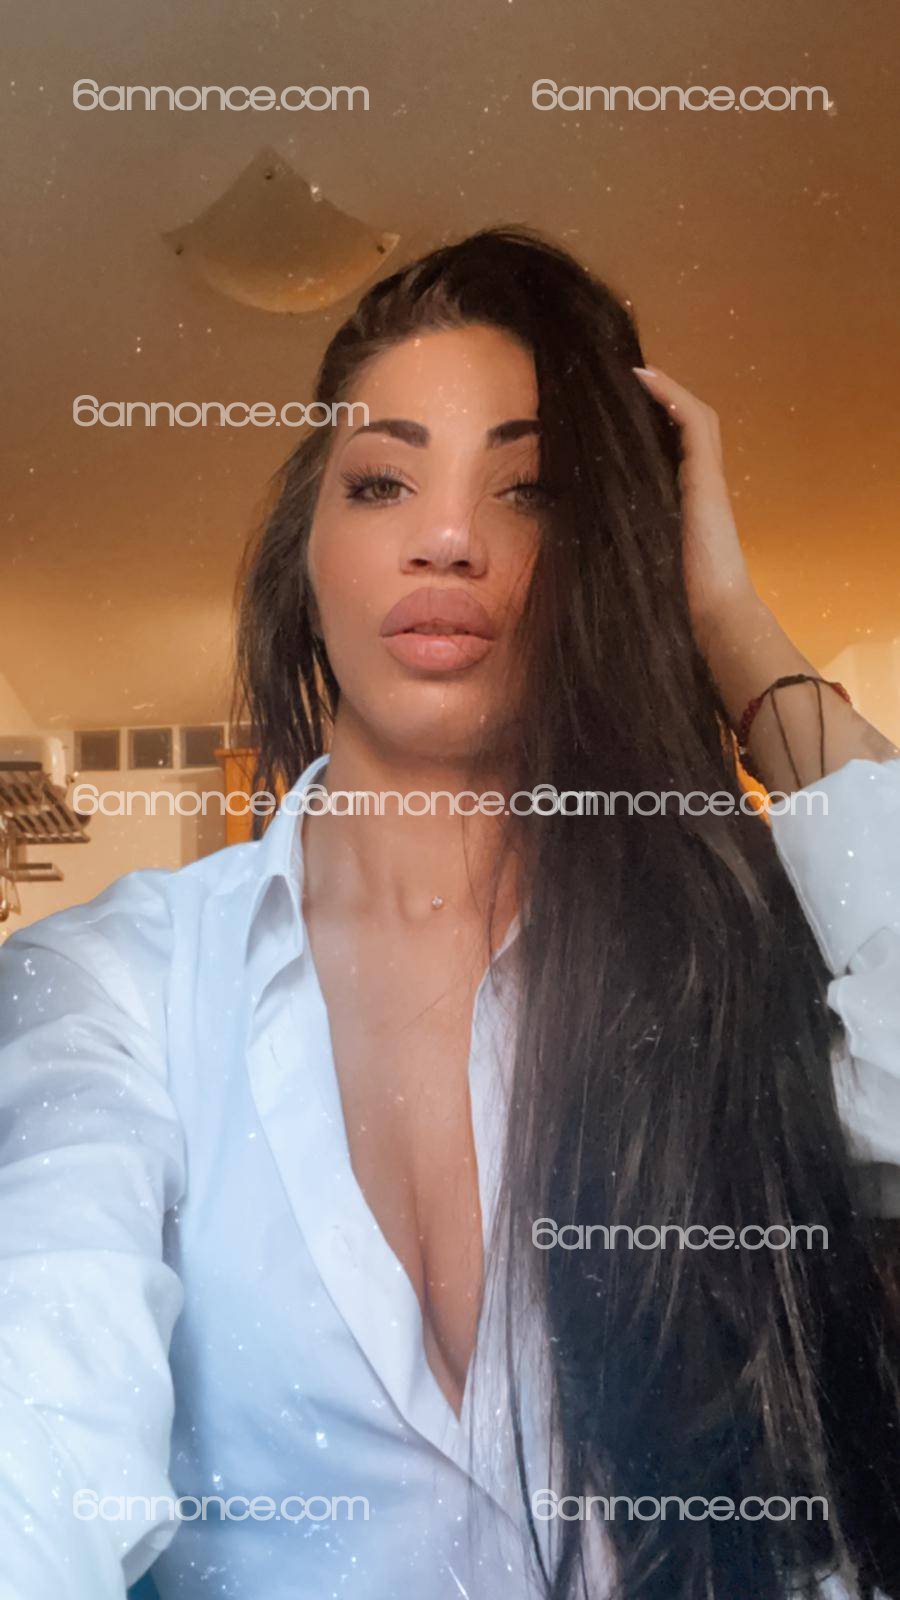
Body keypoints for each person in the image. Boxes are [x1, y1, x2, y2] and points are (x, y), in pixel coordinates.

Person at [1, 227, 898, 1600]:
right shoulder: (116, 981)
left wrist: (727, 619)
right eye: (382, 481)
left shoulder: (718, 960)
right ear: (306, 551)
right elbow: (36, 1419)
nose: (449, 538)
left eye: (530, 492)